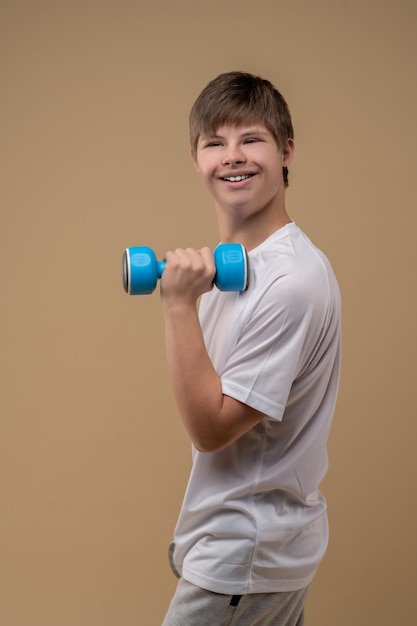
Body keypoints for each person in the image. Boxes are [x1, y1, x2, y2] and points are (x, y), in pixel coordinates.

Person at [159, 71, 341, 626]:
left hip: (245, 554)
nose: (232, 157)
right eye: (215, 143)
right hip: (249, 544)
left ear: (286, 150)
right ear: (196, 158)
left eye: (251, 139)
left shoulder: (290, 282)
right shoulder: (233, 267)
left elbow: (212, 429)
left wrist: (177, 306)